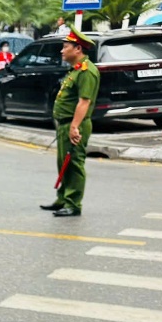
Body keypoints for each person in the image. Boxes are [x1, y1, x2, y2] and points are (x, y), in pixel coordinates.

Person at [41, 29, 100, 219]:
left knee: (74, 163)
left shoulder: (87, 71)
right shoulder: (75, 70)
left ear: (77, 49)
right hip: (65, 124)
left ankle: (73, 203)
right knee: (63, 163)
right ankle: (63, 199)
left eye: (65, 47)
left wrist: (75, 126)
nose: (62, 51)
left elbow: (84, 101)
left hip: (76, 125)